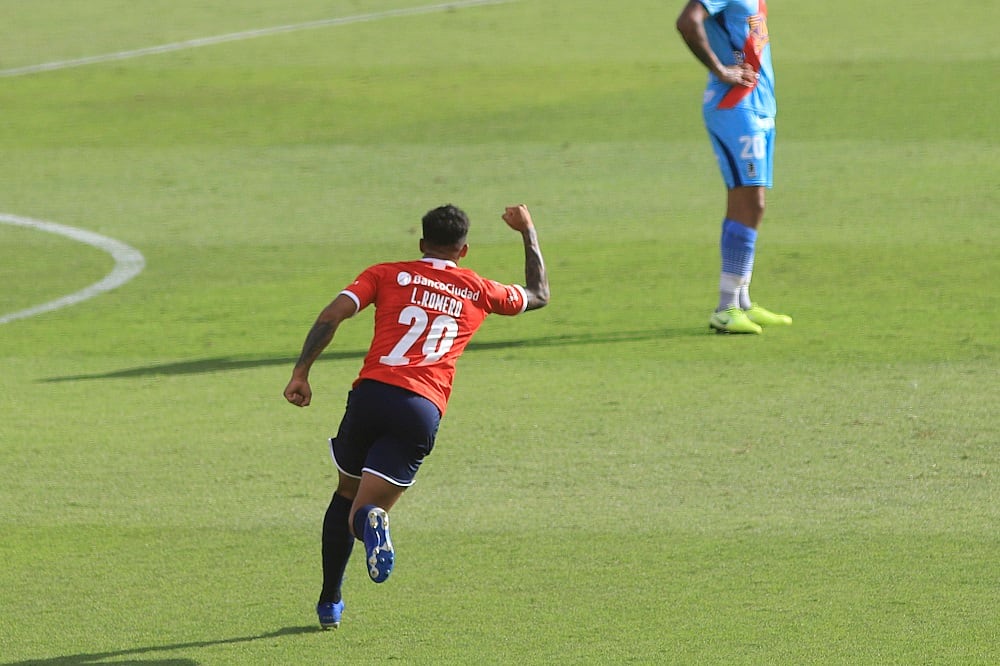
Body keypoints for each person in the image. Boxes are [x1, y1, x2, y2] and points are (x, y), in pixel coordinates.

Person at [283, 204, 549, 629]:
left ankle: (329, 599)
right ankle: (368, 531)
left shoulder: (385, 273)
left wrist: (301, 372)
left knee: (346, 495)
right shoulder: (477, 288)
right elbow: (539, 295)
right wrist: (527, 231)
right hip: (421, 409)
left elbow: (332, 314)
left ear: (422, 244)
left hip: (370, 395)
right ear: (463, 251)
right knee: (365, 512)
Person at [676, 0, 792, 334]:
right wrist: (721, 70)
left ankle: (740, 301)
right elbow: (687, 21)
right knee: (750, 202)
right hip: (735, 106)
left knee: (750, 207)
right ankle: (726, 307)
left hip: (759, 106)